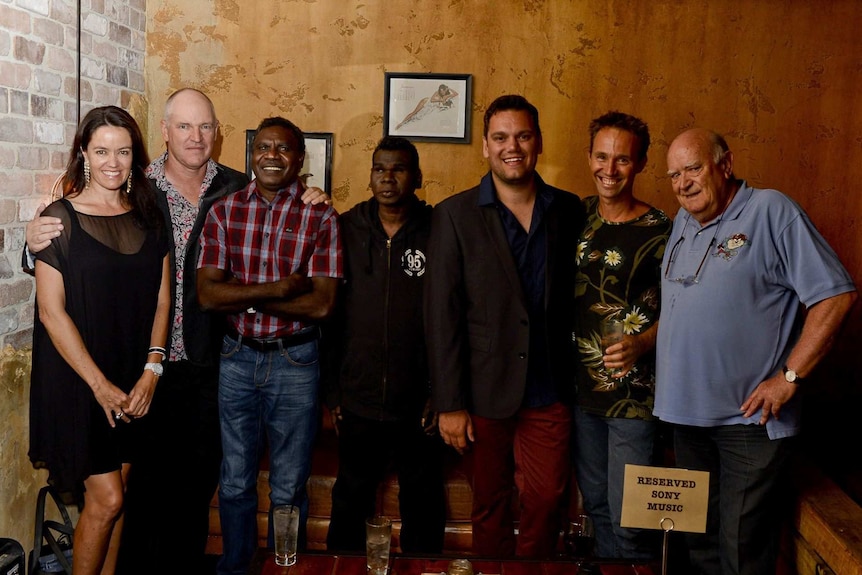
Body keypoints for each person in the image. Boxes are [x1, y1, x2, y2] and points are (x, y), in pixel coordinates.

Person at [654, 128, 857, 575]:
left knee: (742, 549)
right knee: (699, 543)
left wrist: (788, 378)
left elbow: (835, 296)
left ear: (725, 165)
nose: (683, 183)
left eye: (693, 168)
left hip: (748, 421)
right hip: (686, 419)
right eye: (674, 174)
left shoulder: (771, 211)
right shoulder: (683, 220)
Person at [424, 94, 585, 558]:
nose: (511, 146)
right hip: (483, 389)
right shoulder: (453, 215)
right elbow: (442, 316)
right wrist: (449, 403)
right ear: (485, 147)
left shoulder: (568, 210)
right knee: (489, 502)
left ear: (538, 142)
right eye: (500, 137)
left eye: (522, 136)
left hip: (550, 385)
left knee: (546, 498)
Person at [197, 116, 343, 575]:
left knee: (288, 485)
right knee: (235, 480)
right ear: (251, 154)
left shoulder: (320, 214)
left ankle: (286, 567)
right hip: (236, 359)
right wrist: (281, 290)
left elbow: (321, 306)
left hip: (296, 361)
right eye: (262, 147)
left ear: (300, 159)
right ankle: (236, 567)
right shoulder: (224, 211)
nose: (271, 156)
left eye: (283, 149)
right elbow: (207, 296)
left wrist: (243, 293)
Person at [28, 105, 171, 575]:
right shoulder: (58, 219)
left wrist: (152, 370)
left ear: (136, 157)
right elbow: (51, 312)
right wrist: (99, 385)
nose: (113, 161)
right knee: (106, 500)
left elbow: (162, 301)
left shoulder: (151, 214)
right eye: (102, 150)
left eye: (124, 151)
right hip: (79, 380)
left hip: (134, 378)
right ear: (84, 154)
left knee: (118, 499)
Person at [323, 136, 446, 553]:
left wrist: (441, 393)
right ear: (370, 175)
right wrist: (334, 391)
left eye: (398, 169)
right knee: (351, 498)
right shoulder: (345, 227)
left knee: (424, 501)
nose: (388, 178)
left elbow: (456, 317)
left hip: (420, 403)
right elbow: (329, 316)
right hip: (358, 398)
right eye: (380, 169)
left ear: (417, 177)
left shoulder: (439, 231)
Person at [572, 111, 670, 559]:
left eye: (623, 160)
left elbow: (688, 310)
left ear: (642, 164)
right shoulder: (579, 216)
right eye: (602, 157)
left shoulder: (663, 231)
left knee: (632, 519)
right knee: (596, 507)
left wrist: (644, 342)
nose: (609, 170)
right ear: (589, 156)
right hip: (579, 392)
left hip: (634, 396)